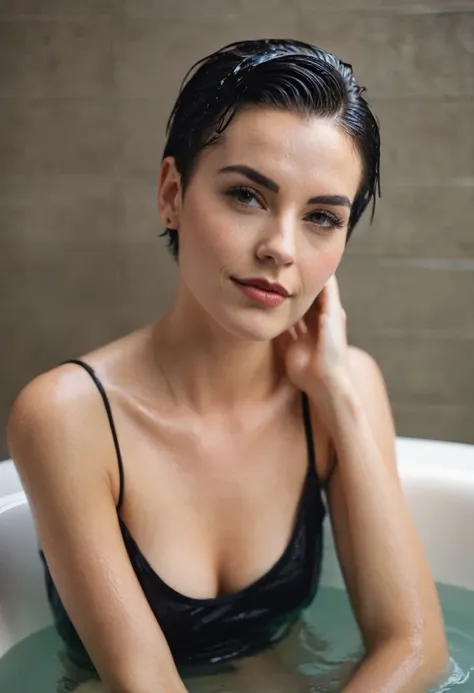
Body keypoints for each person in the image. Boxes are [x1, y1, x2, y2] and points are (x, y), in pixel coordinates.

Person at [8, 39, 449, 693]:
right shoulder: (67, 416)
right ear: (171, 193)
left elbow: (417, 649)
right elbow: (144, 683)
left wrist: (338, 394)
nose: (280, 248)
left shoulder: (344, 387)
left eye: (323, 217)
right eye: (247, 195)